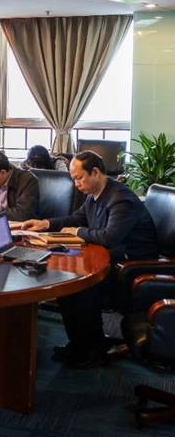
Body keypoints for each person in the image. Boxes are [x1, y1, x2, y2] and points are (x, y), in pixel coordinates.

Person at [22, 151, 158, 368]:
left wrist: (78, 232)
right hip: (112, 256)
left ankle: (91, 351)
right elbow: (78, 217)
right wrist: (46, 224)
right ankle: (80, 345)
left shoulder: (121, 199)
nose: (76, 184)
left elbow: (110, 237)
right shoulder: (95, 194)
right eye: (74, 179)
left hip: (131, 265)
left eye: (79, 178)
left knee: (82, 287)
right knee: (67, 283)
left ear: (95, 172)